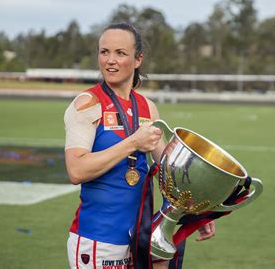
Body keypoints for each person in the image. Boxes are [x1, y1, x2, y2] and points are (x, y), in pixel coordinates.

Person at [63, 23, 215, 269]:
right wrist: (133, 142)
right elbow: (76, 170)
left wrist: (196, 212)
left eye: (120, 53)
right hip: (98, 241)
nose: (110, 61)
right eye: (104, 52)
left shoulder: (148, 108)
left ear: (137, 59)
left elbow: (169, 172)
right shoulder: (86, 104)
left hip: (140, 239)